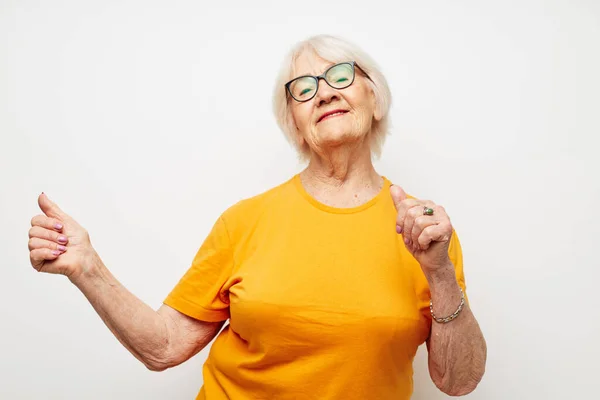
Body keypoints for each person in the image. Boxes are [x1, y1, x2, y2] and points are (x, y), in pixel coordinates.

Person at [27, 34, 486, 399]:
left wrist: (440, 273)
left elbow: (457, 381)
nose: (324, 92)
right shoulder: (245, 221)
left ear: (375, 96)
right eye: (304, 88)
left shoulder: (424, 232)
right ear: (295, 123)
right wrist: (87, 267)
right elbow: (164, 345)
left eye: (340, 76)